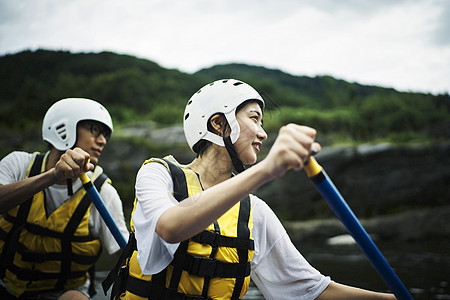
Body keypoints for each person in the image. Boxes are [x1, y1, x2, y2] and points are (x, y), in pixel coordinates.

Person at [104, 79, 396, 299]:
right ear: (219, 124)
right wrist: (267, 169)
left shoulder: (255, 212)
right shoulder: (157, 174)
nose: (263, 133)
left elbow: (311, 291)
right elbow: (169, 227)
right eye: (254, 118)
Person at [0, 98, 129, 300]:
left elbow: (123, 256)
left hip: (64, 292)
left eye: (105, 134)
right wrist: (53, 176)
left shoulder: (103, 191)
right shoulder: (18, 164)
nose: (103, 140)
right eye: (95, 130)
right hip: (4, 284)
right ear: (63, 127)